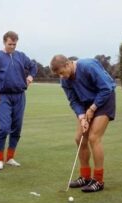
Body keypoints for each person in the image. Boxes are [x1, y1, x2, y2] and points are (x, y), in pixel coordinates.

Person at [50, 55, 116, 192]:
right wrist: (81, 117)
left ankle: (98, 180)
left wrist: (93, 108)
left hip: (104, 99)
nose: (61, 77)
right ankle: (85, 177)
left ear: (68, 64)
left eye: (62, 73)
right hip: (85, 103)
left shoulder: (88, 66)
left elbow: (106, 88)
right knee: (79, 138)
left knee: (93, 137)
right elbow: (73, 100)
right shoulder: (64, 80)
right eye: (58, 75)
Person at [0, 31, 37, 170]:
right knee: (4, 127)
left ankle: (10, 158)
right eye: (10, 44)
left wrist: (30, 77)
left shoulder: (21, 56)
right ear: (4, 42)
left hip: (20, 95)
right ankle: (0, 160)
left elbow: (33, 66)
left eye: (14, 44)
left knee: (17, 128)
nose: (12, 47)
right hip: (3, 96)